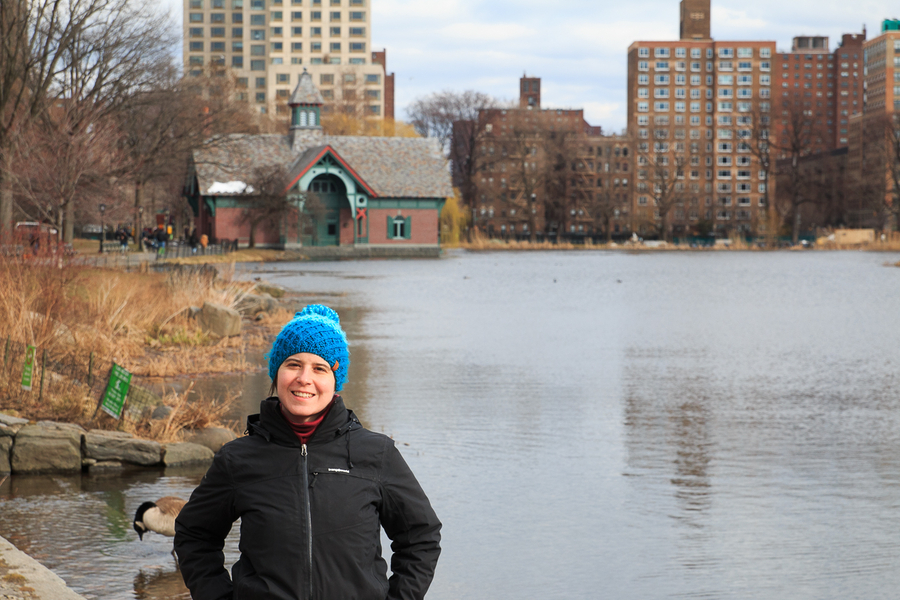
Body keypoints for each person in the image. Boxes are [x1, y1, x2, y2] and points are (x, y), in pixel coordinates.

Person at [174, 305, 442, 600]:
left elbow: (421, 536)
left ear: (335, 381)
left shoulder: (376, 453)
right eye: (293, 364)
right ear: (276, 373)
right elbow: (194, 536)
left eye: (319, 368)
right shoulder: (237, 459)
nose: (304, 378)